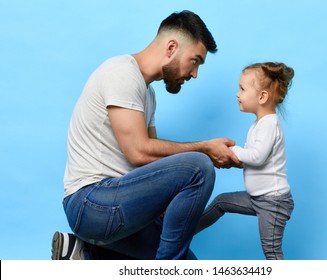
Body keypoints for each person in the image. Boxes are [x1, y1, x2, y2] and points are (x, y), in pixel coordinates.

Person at [51, 10, 241, 260]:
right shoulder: (121, 73)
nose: (194, 73)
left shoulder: (147, 93)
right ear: (172, 47)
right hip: (91, 204)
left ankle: (84, 253)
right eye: (195, 61)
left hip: (117, 205)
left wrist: (165, 203)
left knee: (189, 263)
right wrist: (205, 148)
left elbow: (153, 162)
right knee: (199, 167)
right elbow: (138, 151)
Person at [195, 62, 295, 260]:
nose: (237, 94)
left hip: (273, 202)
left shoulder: (269, 124)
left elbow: (256, 157)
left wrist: (233, 150)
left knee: (272, 253)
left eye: (242, 89)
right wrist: (233, 159)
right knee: (221, 202)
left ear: (262, 97)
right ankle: (183, 231)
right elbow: (254, 160)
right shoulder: (259, 124)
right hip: (257, 197)